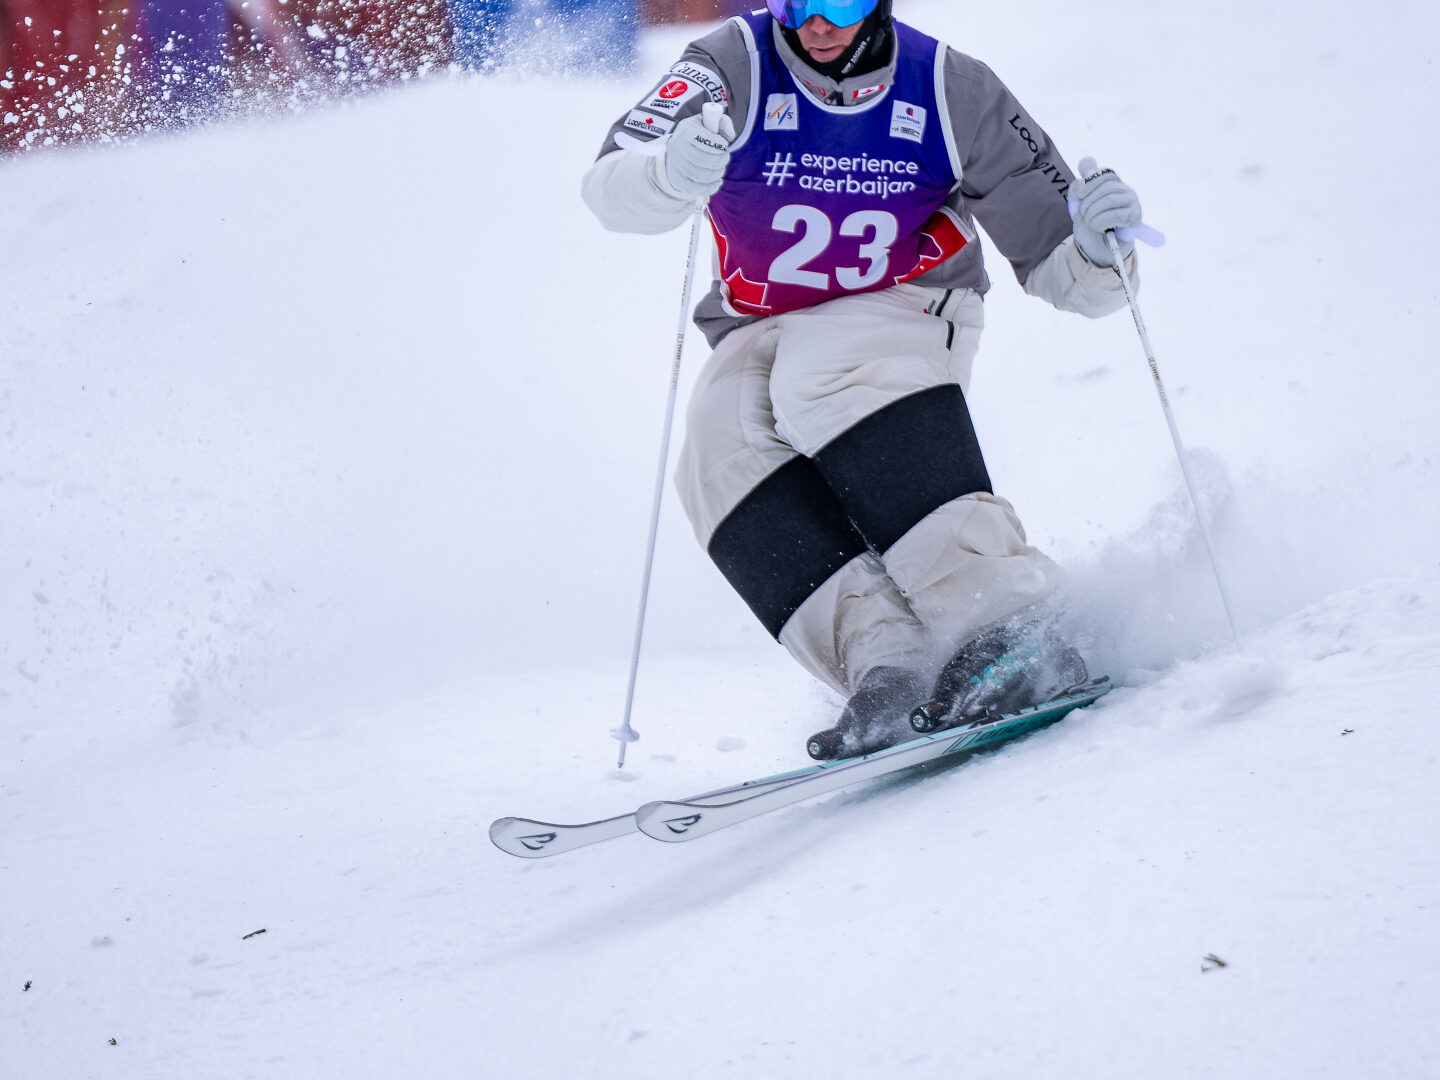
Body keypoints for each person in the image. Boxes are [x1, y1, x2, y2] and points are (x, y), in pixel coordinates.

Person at [582, 0, 1143, 758]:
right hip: (760, 321)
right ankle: (892, 661)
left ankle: (1012, 621)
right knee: (716, 453)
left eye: (839, 0)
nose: (815, 23)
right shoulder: (729, 66)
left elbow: (1065, 272)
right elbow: (610, 188)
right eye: (794, 1)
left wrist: (1103, 252)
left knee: (831, 370)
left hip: (906, 301)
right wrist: (665, 176)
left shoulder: (950, 88)